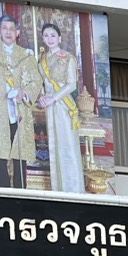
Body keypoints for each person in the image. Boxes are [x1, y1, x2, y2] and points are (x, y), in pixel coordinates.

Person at [0, 13, 42, 189]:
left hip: (20, 112)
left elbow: (36, 80)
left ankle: (21, 192)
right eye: (5, 28)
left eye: (12, 29)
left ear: (17, 32)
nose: (8, 32)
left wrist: (24, 93)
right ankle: (3, 191)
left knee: (20, 154)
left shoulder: (26, 56)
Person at [36, 21, 89, 194]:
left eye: (53, 35)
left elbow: (71, 85)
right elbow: (40, 82)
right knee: (54, 146)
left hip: (63, 105)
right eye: (46, 36)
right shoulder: (42, 60)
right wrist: (42, 96)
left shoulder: (68, 58)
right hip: (49, 106)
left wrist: (53, 98)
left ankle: (73, 189)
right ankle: (57, 188)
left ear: (59, 38)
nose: (50, 39)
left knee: (67, 146)